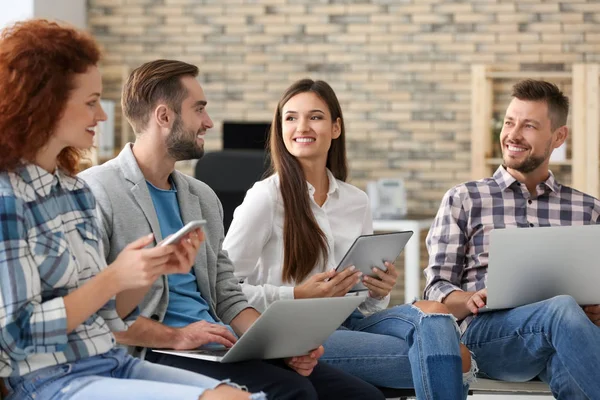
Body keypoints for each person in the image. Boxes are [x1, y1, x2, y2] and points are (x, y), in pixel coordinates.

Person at [79, 59, 385, 400]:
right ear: (164, 117)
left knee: (361, 396)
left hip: (218, 342)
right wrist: (176, 336)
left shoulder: (201, 196)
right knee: (293, 392)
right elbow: (93, 314)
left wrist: (280, 346)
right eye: (199, 110)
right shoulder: (96, 192)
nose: (208, 122)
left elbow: (228, 293)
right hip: (156, 350)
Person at [0, 19, 256, 400]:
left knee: (241, 397)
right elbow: (15, 336)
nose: (102, 116)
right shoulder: (9, 200)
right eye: (90, 103)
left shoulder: (73, 192)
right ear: (45, 104)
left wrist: (146, 271)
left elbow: (109, 318)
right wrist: (113, 278)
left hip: (110, 361)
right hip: (49, 379)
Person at [222, 78, 474, 400]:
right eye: (291, 117)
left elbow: (366, 305)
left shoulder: (356, 201)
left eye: (315, 116)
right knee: (452, 359)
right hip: (298, 329)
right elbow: (225, 290)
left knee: (435, 314)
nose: (302, 126)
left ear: (336, 128)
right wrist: (297, 294)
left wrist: (377, 290)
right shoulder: (266, 198)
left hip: (350, 321)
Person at [425, 79, 600, 399]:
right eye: (509, 122)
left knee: (569, 358)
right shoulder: (464, 198)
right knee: (561, 309)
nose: (513, 135)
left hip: (567, 338)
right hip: (487, 336)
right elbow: (436, 288)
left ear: (559, 136)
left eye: (529, 125)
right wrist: (469, 299)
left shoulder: (589, 210)